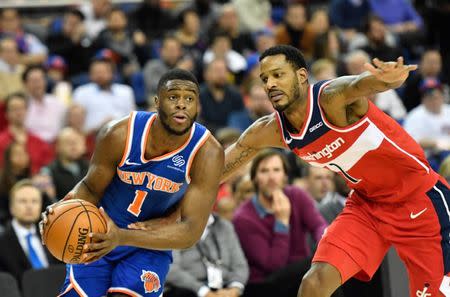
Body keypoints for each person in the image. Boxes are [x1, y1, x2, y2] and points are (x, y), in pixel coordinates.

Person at [220, 44, 450, 297]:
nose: (271, 84)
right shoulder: (272, 130)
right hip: (367, 204)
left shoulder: (331, 99)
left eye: (278, 74)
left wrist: (385, 80)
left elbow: (358, 85)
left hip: (419, 200)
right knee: (314, 284)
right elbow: (216, 170)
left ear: (301, 76)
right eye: (265, 79)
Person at [40, 68, 224, 297]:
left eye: (190, 98)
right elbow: (90, 188)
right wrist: (61, 210)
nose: (182, 104)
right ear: (157, 102)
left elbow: (190, 232)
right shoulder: (119, 134)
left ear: (198, 106)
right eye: (173, 97)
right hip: (98, 232)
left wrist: (122, 237)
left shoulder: (207, 152)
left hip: (150, 244)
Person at [0, 179, 60, 286]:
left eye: (34, 201)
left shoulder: (51, 235)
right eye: (23, 201)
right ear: (11, 207)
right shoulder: (2, 243)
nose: (29, 206)